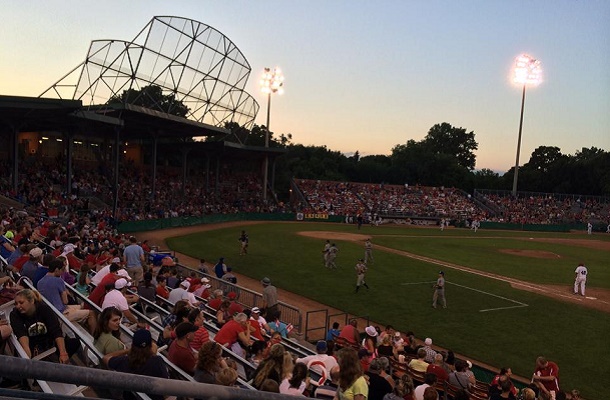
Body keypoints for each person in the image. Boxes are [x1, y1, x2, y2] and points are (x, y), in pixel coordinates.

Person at [9, 289, 78, 363]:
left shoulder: (44, 309)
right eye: (16, 303)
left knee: (75, 342)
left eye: (21, 303)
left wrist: (63, 353)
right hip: (31, 346)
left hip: (49, 345)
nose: (18, 306)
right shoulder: (14, 314)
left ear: (32, 301)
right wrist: (27, 358)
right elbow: (21, 335)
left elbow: (56, 330)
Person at [103, 329, 168, 400]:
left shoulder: (125, 361)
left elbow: (106, 358)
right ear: (150, 345)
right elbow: (166, 389)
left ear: (133, 345)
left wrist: (128, 350)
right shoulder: (157, 361)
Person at [37, 258, 96, 333]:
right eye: (62, 269)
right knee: (92, 313)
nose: (63, 272)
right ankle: (95, 338)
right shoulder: (59, 280)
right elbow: (65, 301)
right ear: (56, 269)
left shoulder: (40, 282)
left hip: (53, 311)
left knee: (83, 306)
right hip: (61, 313)